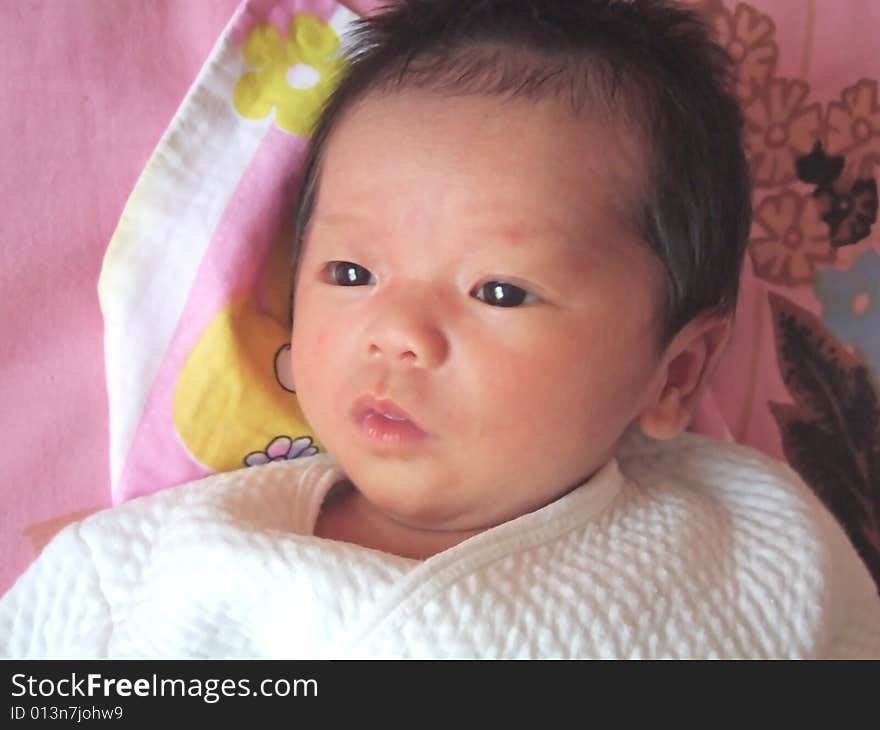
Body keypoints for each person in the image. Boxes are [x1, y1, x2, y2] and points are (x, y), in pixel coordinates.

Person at [2, 0, 878, 658]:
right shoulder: (156, 564)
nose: (397, 332)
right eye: (351, 274)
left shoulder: (752, 545)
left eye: (498, 290)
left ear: (677, 375)